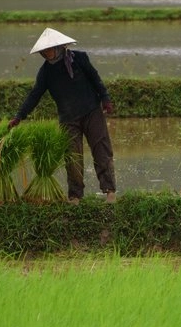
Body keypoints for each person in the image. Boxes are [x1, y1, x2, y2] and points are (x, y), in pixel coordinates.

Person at [8, 27, 117, 204]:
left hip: (91, 111)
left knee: (101, 151)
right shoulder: (46, 72)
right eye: (43, 51)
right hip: (68, 118)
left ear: (59, 47)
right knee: (72, 157)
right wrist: (19, 116)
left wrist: (105, 99)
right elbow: (34, 95)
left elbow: (95, 78)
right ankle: (75, 196)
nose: (46, 53)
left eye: (49, 49)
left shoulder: (79, 59)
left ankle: (110, 191)